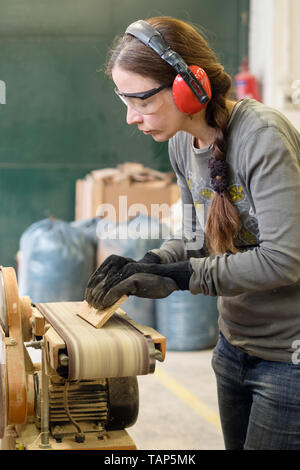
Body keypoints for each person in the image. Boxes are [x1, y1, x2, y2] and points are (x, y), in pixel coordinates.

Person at [85, 16, 300, 450]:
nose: (131, 117)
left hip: (288, 359)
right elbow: (192, 235)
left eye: (141, 100)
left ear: (189, 86)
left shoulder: (262, 136)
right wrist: (154, 262)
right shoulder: (182, 142)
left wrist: (186, 276)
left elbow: (285, 259)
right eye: (123, 100)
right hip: (234, 345)